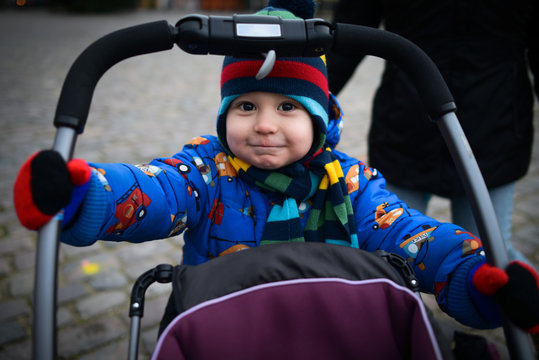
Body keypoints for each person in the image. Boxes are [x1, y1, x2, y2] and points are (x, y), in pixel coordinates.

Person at [13, 0, 539, 337]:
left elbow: (410, 234)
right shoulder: (209, 172)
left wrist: (471, 274)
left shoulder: (348, 184)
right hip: (227, 332)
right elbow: (156, 191)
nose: (264, 125)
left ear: (320, 119)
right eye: (246, 106)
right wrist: (83, 194)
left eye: (287, 108)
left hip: (337, 334)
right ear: (225, 116)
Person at [326, 0, 539, 264]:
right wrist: (306, 101)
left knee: (492, 258)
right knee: (390, 254)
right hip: (404, 124)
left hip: (494, 125)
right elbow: (348, 35)